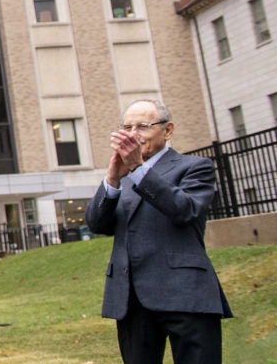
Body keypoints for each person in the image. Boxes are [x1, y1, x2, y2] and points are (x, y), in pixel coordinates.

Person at [85, 99, 232, 364]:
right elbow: (97, 225)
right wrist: (112, 180)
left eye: (142, 126)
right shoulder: (124, 175)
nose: (133, 134)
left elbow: (184, 209)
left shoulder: (195, 167)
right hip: (131, 299)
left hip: (186, 294)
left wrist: (139, 169)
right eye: (126, 127)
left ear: (168, 130)